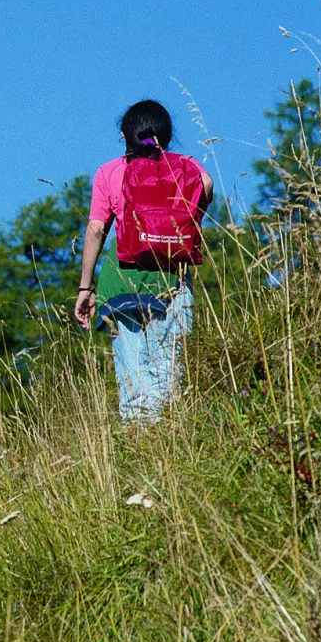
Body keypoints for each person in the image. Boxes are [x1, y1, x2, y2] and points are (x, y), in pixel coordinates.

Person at [73, 100, 213, 422]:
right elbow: (205, 185)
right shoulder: (185, 166)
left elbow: (96, 229)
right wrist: (189, 219)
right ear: (167, 134)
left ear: (125, 136)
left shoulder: (109, 172)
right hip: (170, 279)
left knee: (133, 377)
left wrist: (85, 287)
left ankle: (139, 440)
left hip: (120, 281)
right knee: (168, 369)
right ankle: (167, 440)